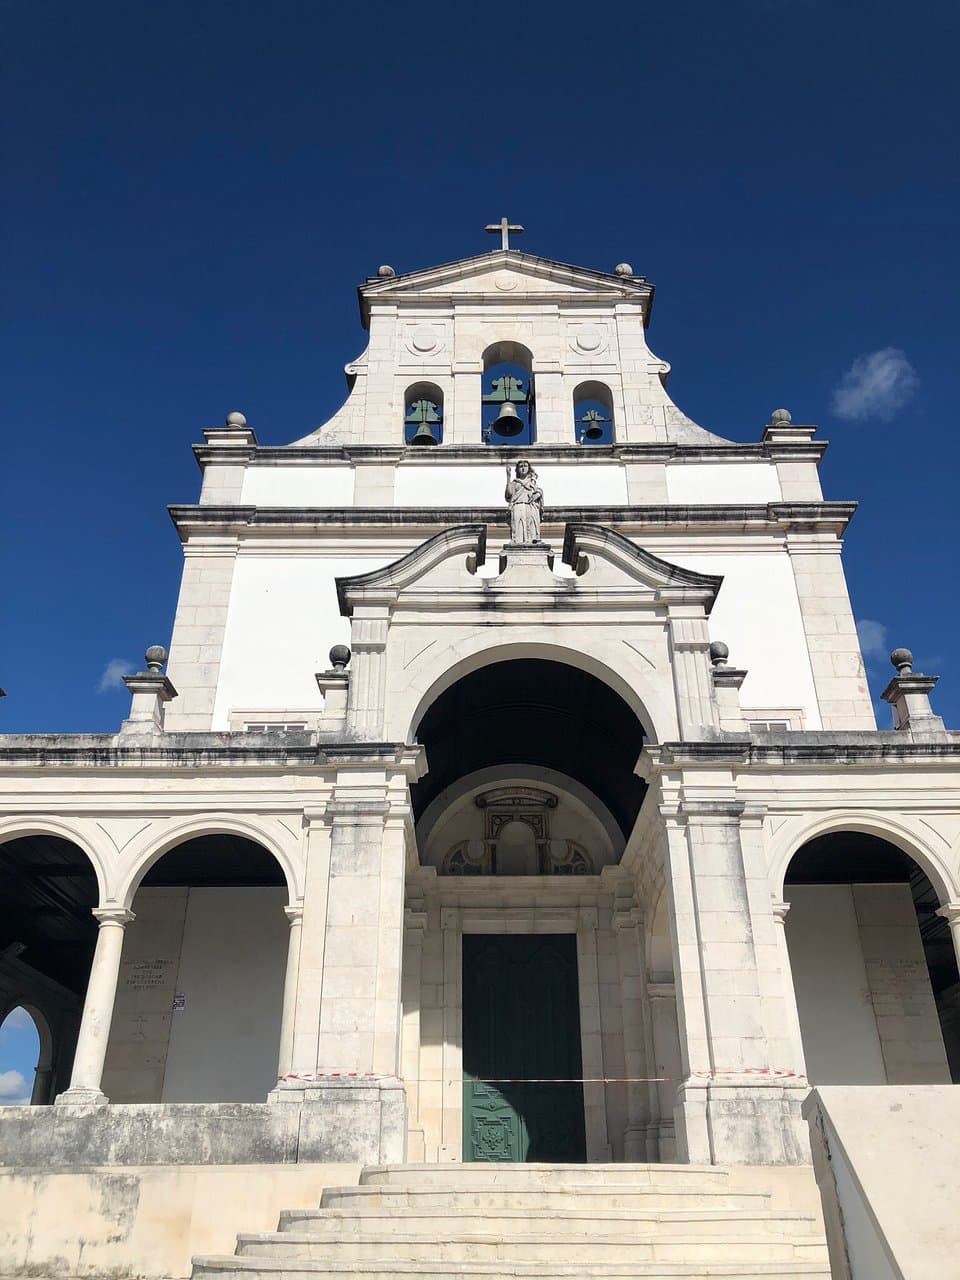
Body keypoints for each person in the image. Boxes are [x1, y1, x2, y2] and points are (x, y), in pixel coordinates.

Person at [505, 460, 543, 544]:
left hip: (530, 506)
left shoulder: (532, 481)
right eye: (521, 466)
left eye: (525, 466)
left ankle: (534, 539)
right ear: (517, 470)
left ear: (529, 468)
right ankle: (518, 541)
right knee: (518, 525)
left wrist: (538, 494)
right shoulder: (515, 483)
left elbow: (538, 491)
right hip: (518, 505)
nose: (523, 468)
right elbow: (509, 493)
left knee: (532, 523)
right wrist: (508, 476)